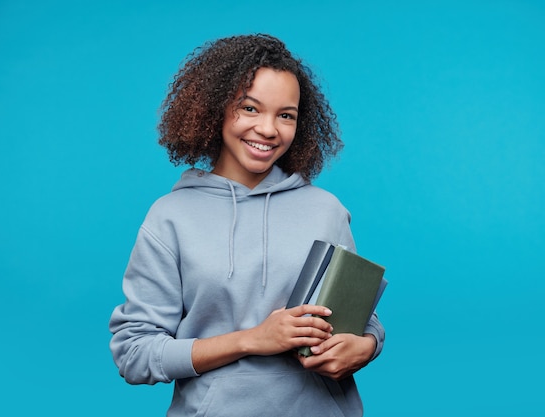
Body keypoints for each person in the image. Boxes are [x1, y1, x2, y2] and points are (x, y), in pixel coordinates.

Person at [109, 33, 385, 417]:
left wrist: (368, 345)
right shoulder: (170, 217)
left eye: (285, 115)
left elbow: (360, 319)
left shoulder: (326, 209)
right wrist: (251, 340)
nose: (269, 129)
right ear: (215, 110)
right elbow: (134, 353)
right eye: (250, 108)